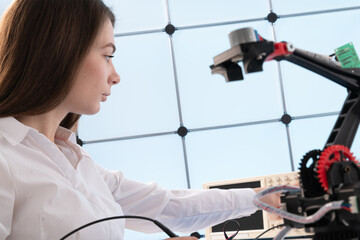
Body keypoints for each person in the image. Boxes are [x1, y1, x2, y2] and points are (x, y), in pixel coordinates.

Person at [0, 0, 280, 239]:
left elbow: (168, 206)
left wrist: (263, 198)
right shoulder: (5, 156)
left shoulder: (79, 165)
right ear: (60, 51)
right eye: (108, 56)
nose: (116, 76)